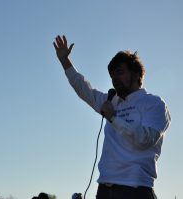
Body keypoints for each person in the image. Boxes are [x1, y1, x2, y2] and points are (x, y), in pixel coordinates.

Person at [53, 35, 171, 199]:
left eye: (120, 73)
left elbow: (146, 139)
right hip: (104, 189)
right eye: (112, 76)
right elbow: (84, 89)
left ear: (137, 74)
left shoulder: (154, 103)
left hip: (135, 190)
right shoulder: (112, 101)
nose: (115, 79)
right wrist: (65, 61)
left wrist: (114, 119)